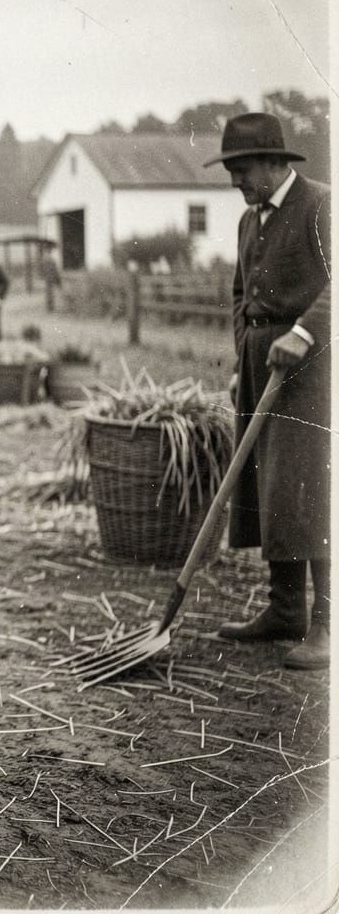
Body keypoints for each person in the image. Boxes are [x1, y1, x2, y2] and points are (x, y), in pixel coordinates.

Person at [203, 113, 330, 670]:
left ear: (276, 163)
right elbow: (238, 295)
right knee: (273, 486)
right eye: (230, 169)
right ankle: (285, 610)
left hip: (314, 371)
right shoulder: (249, 220)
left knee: (310, 487)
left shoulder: (321, 205)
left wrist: (303, 332)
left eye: (241, 168)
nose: (234, 180)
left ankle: (326, 623)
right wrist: (243, 355)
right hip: (261, 368)